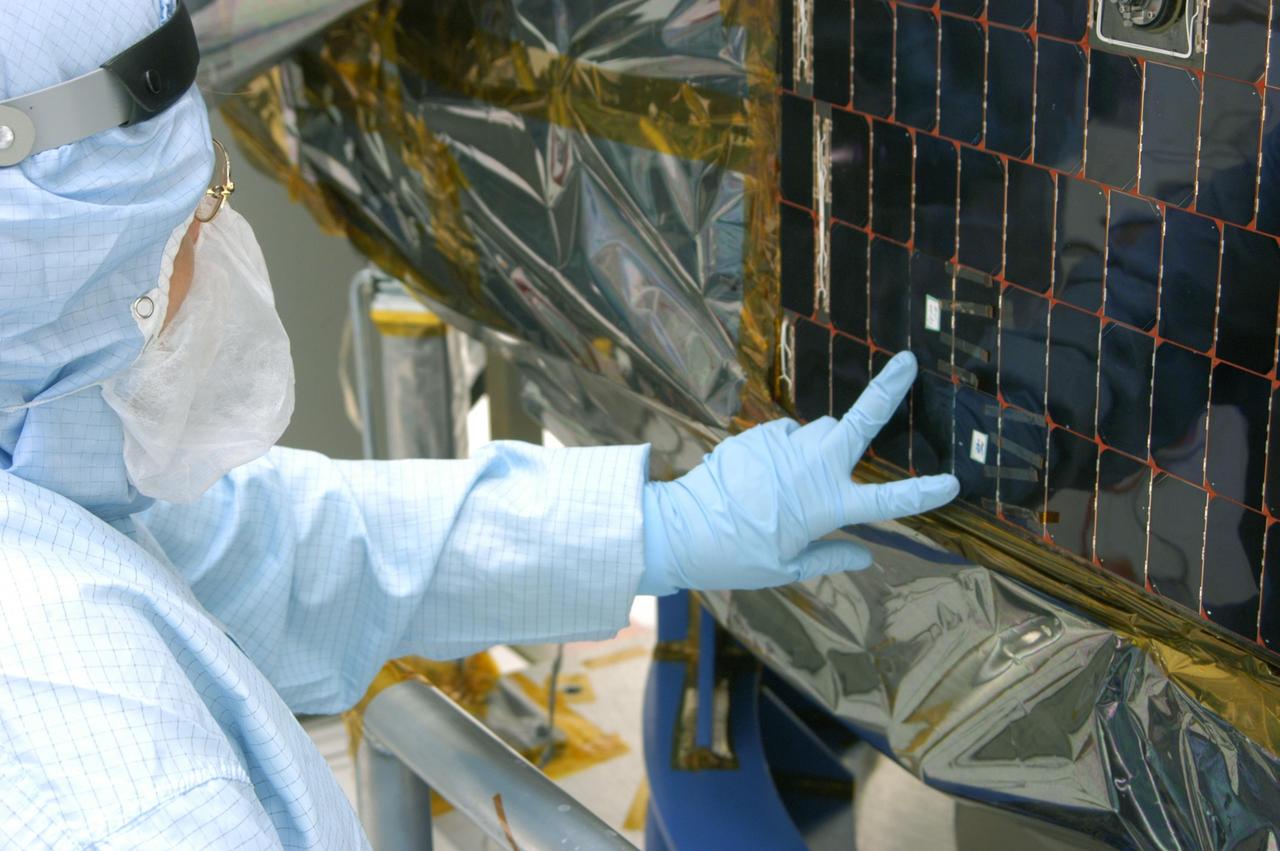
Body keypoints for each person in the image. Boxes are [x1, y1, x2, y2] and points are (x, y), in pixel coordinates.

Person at [0, 1, 959, 847]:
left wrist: (661, 527)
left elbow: (276, 552)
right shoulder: (128, 797)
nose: (215, 255)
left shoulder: (34, 477)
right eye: (196, 223)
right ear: (74, 287)